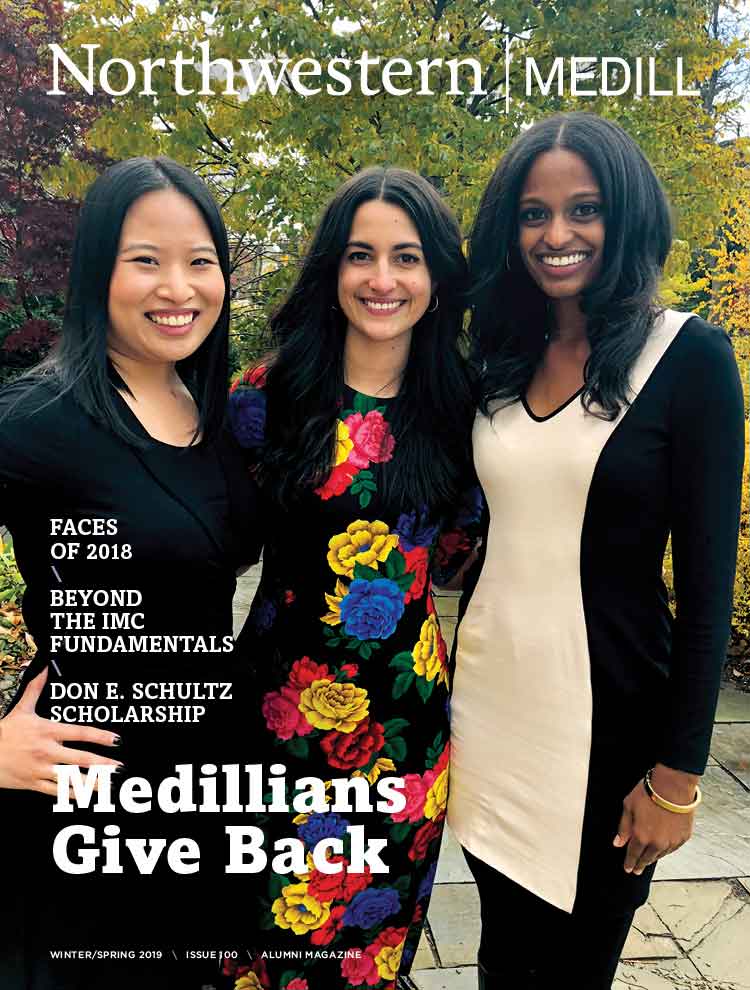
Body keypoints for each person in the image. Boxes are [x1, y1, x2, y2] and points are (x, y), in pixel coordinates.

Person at [449, 112, 745, 990]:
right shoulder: (498, 358)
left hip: (609, 731)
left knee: (576, 970)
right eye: (533, 214)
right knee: (503, 955)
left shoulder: (688, 357)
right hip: (488, 713)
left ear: (628, 218)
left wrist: (679, 775)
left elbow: (706, 587)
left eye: (585, 208)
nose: (557, 234)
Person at [0, 157, 260, 989]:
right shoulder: (38, 420)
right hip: (84, 797)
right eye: (145, 259)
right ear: (96, 272)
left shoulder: (213, 415)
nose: (177, 287)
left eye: (200, 261)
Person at [226, 166, 481, 989]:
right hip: (271, 724)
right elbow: (199, 543)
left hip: (402, 735)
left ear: (436, 277)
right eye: (359, 255)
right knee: (261, 943)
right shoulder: (269, 396)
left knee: (363, 956)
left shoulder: (466, 409)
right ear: (330, 271)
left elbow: (476, 555)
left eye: (405, 257)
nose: (382, 279)